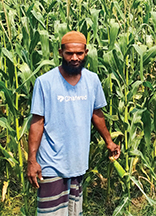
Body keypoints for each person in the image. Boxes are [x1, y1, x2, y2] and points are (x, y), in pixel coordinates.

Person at [27, 31, 120, 216]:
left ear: (86, 52)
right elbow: (37, 122)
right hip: (51, 164)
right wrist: (32, 160)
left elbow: (97, 113)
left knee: (73, 213)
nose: (74, 58)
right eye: (69, 53)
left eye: (79, 53)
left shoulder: (92, 80)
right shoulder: (45, 82)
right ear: (60, 52)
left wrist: (109, 142)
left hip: (77, 162)